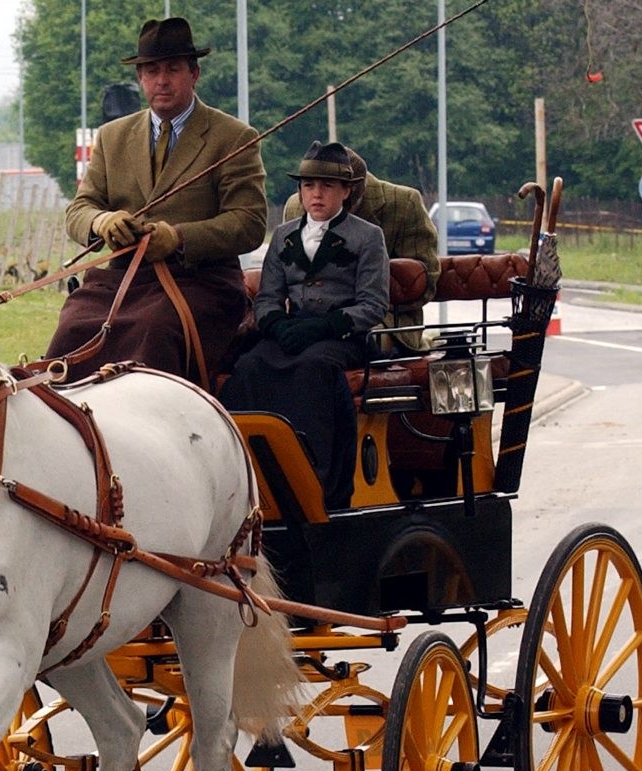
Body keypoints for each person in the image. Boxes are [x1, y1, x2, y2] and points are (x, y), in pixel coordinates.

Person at [42, 16, 267, 386]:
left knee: (153, 329)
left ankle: (160, 433)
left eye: (173, 69)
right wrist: (102, 222)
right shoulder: (112, 137)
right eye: (151, 71)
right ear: (140, 78)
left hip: (200, 283)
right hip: (121, 283)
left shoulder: (233, 137)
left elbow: (249, 223)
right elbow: (79, 210)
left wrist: (178, 238)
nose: (161, 80)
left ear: (194, 74)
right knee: (73, 327)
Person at [220, 141, 388, 510]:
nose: (317, 194)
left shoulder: (367, 237)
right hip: (292, 329)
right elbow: (266, 297)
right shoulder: (283, 235)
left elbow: (373, 305)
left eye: (327, 186)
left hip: (341, 335)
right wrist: (277, 323)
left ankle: (315, 478)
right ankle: (247, 473)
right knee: (250, 365)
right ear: (300, 191)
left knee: (313, 369)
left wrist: (325, 326)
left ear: (346, 191)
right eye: (309, 186)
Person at [283, 146, 440, 350]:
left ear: (351, 191)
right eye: (309, 185)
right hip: (309, 316)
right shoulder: (298, 206)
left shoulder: (404, 203)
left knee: (344, 343)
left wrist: (362, 302)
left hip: (386, 319)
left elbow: (427, 280)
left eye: (331, 188)